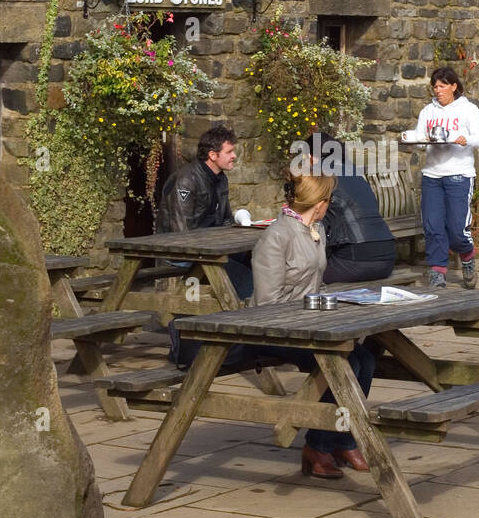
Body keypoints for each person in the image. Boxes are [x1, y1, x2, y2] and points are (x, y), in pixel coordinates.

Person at [251, 174, 377, 480]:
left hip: (307, 325)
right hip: (274, 330)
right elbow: (267, 304)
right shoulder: (277, 237)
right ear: (320, 204)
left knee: (365, 358)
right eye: (329, 200)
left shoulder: (316, 229)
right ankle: (318, 447)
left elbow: (314, 285)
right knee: (342, 362)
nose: (329, 206)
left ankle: (342, 441)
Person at [406, 67, 479, 288]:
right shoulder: (428, 111)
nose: (438, 90)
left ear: (454, 86)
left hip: (459, 175)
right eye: (435, 86)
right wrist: (417, 141)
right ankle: (437, 271)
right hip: (432, 175)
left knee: (456, 228)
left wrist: (466, 139)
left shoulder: (468, 110)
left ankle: (468, 256)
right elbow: (423, 142)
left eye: (442, 86)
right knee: (432, 225)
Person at [156, 123, 252, 301]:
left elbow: (225, 221)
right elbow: (181, 233)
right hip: (182, 252)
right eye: (229, 152)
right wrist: (220, 246)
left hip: (211, 246)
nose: (234, 156)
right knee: (246, 280)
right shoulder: (186, 180)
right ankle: (248, 317)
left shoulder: (220, 179)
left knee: (257, 258)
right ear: (213, 155)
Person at [293, 132, 397, 284]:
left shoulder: (319, 176)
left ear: (309, 156)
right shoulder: (353, 171)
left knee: (296, 275)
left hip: (354, 260)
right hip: (387, 258)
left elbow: (308, 222)